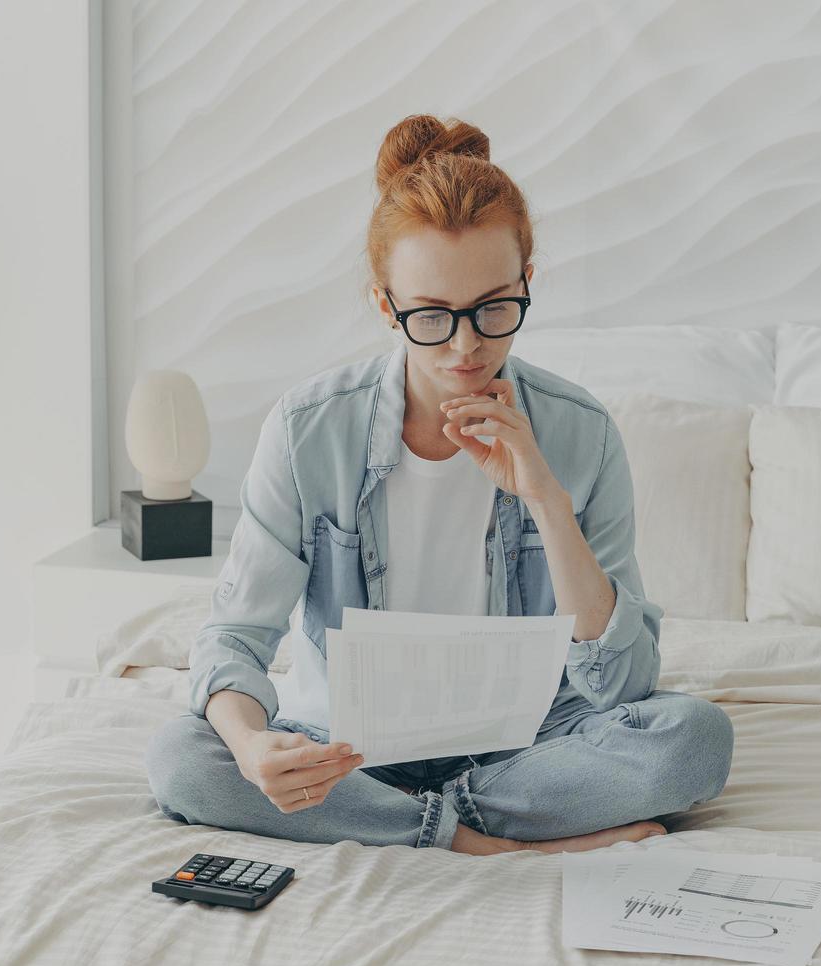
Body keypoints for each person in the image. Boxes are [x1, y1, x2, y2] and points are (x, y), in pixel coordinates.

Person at [144, 113, 734, 854]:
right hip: (347, 748)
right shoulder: (307, 430)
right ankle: (478, 839)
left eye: (493, 308)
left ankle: (409, 824)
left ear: (527, 282)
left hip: (527, 745)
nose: (466, 347)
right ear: (384, 304)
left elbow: (623, 685)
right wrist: (251, 747)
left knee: (693, 740)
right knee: (183, 758)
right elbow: (236, 636)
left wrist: (547, 502)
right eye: (431, 315)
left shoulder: (581, 432)